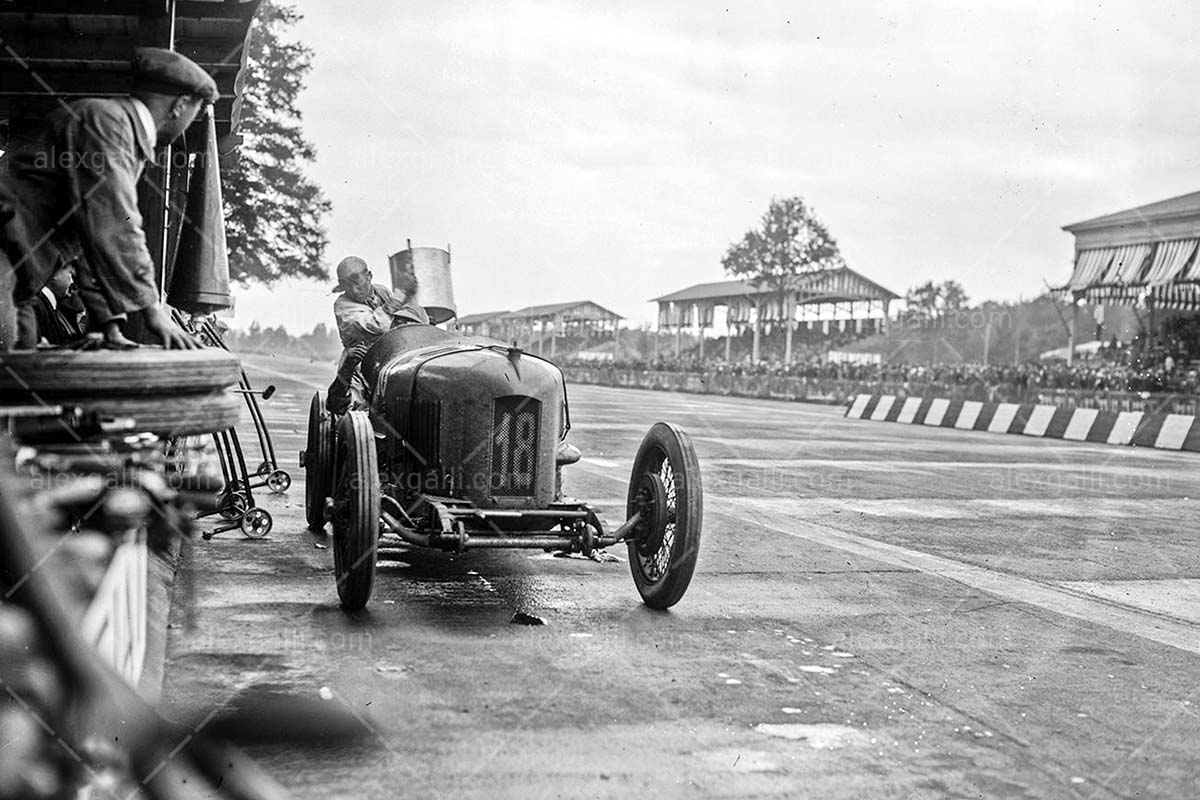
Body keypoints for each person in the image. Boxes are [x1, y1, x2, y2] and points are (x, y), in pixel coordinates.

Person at [0, 47, 214, 351]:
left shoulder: (121, 133)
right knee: (11, 380)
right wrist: (152, 309)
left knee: (25, 381)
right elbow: (115, 224)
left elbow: (90, 236)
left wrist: (108, 324)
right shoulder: (107, 124)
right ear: (180, 106)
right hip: (4, 264)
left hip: (18, 280)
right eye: (197, 112)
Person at [327, 256, 428, 413]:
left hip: (395, 354)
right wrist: (400, 294)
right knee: (351, 409)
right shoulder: (342, 306)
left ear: (369, 276)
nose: (354, 290)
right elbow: (375, 325)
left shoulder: (381, 292)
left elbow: (400, 316)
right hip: (361, 360)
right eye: (347, 285)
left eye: (357, 281)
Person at [31, 257, 86, 346]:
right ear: (54, 274)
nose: (72, 281)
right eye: (70, 273)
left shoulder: (55, 308)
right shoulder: (37, 305)